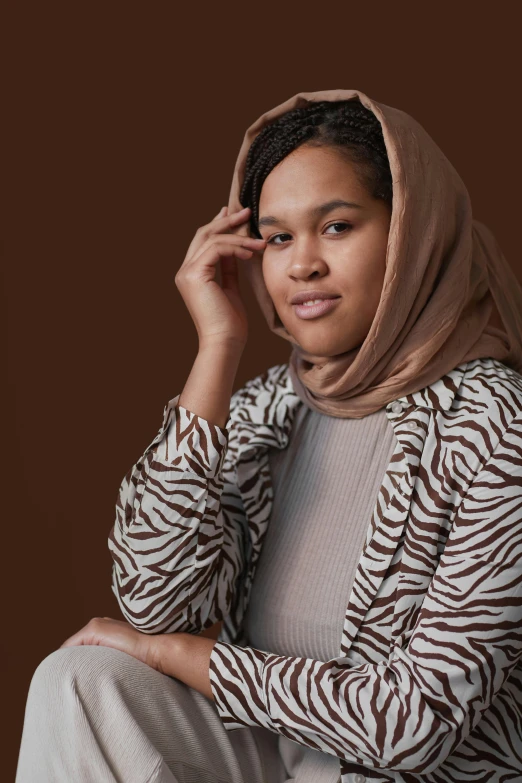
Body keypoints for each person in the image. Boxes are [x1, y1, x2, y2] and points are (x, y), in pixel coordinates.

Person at [16, 89, 522, 782]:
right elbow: (154, 601)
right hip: (274, 761)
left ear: (409, 231)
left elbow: (417, 721)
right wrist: (216, 349)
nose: (301, 264)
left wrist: (182, 658)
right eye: (279, 237)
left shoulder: (494, 423)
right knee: (77, 679)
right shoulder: (268, 409)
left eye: (337, 227)